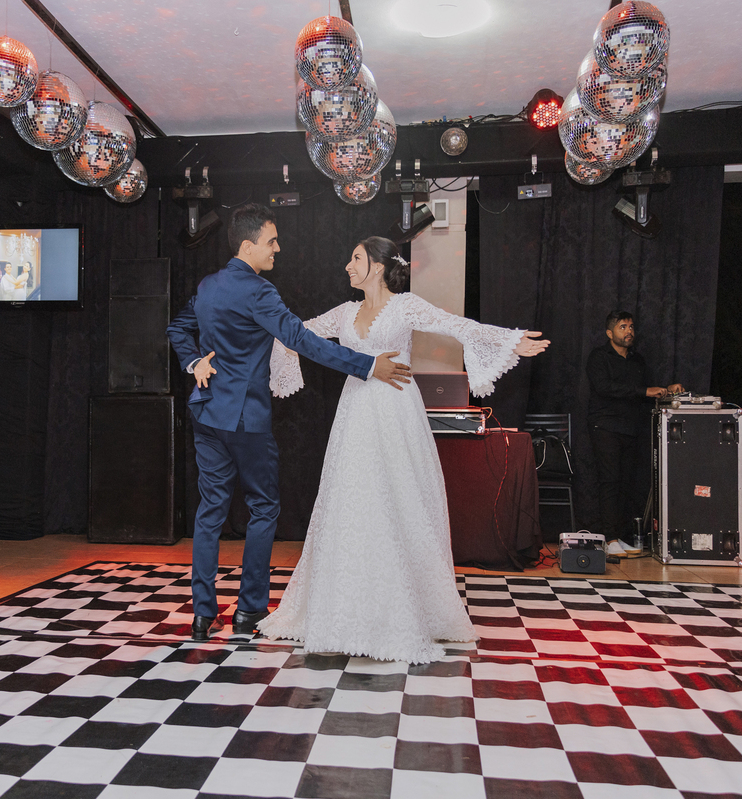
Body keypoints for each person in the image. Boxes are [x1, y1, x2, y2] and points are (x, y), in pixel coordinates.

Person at [258, 237, 549, 663]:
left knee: (399, 500)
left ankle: (410, 611)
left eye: (355, 258)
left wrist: (509, 340)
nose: (347, 266)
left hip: (396, 410)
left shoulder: (406, 305)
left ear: (376, 266)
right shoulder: (343, 313)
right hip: (355, 412)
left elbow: (457, 325)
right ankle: (346, 611)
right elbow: (295, 335)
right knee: (352, 501)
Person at [165, 205, 412, 642]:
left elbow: (177, 328)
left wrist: (192, 361)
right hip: (246, 418)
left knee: (209, 514)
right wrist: (368, 366)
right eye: (271, 241)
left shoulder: (208, 286)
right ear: (248, 245)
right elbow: (302, 342)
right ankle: (249, 611)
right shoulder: (260, 292)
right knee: (263, 508)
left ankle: (203, 615)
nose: (278, 248)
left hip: (206, 413)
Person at [586, 311, 681, 557]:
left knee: (627, 484)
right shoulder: (599, 357)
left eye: (631, 326)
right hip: (606, 426)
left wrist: (666, 390)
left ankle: (622, 536)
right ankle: (609, 538)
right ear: (610, 333)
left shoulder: (637, 360)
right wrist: (645, 391)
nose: (629, 331)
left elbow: (644, 392)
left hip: (631, 428)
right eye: (622, 327)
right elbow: (604, 388)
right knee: (610, 481)